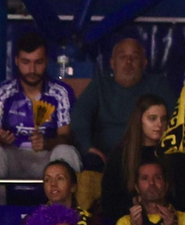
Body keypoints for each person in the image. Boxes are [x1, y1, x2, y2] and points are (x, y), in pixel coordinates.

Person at [0, 32, 80, 214]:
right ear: (16, 61)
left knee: (66, 151)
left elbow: (67, 136)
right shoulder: (2, 93)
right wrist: (1, 140)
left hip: (47, 158)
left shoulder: (60, 92)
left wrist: (46, 143)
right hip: (13, 156)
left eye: (38, 62)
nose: (32, 69)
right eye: (26, 62)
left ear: (47, 61)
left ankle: (66, 221)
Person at [72, 37, 177, 166]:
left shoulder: (158, 85)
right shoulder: (100, 85)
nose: (128, 62)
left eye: (135, 57)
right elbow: (79, 116)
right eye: (122, 57)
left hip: (147, 154)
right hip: (105, 155)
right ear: (112, 63)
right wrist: (87, 147)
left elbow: (175, 120)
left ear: (144, 63)